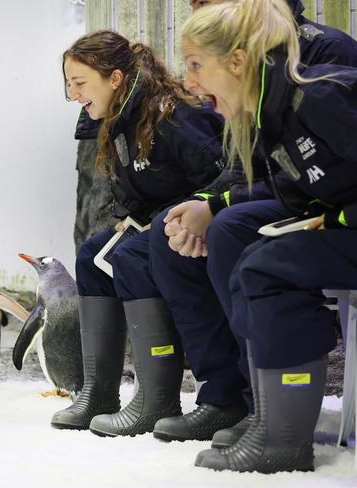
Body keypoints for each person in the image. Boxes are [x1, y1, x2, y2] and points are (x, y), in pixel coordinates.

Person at [148, 0, 357, 447]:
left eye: (195, 65)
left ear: (238, 61)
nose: (187, 82)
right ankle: (260, 409)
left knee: (268, 266)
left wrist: (338, 217)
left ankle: (283, 437)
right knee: (258, 254)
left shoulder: (318, 96)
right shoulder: (271, 115)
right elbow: (298, 184)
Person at [51, 30, 226, 436]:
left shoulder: (171, 115)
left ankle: (158, 398)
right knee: (92, 257)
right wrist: (135, 215)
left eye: (80, 83)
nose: (74, 95)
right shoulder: (121, 120)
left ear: (114, 79)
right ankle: (98, 390)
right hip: (160, 222)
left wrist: (193, 211)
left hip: (198, 228)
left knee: (129, 258)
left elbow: (218, 173)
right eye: (69, 85)